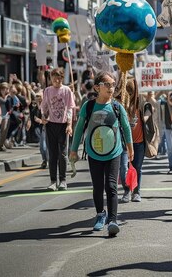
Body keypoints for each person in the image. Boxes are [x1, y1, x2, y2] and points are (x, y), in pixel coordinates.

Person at [70, 71, 133, 237]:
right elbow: (79, 129)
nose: (112, 88)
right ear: (97, 87)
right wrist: (73, 149)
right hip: (94, 152)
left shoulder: (117, 107)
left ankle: (113, 220)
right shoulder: (88, 106)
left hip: (114, 152)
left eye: (113, 84)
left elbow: (126, 128)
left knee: (111, 186)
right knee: (97, 187)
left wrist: (130, 148)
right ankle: (100, 214)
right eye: (108, 85)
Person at [40, 67, 76, 191]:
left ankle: (63, 180)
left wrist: (69, 124)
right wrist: (43, 116)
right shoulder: (48, 91)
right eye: (53, 77)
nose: (56, 79)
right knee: (52, 154)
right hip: (51, 124)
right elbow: (44, 106)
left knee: (62, 154)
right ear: (51, 78)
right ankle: (53, 181)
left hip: (63, 125)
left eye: (58, 77)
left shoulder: (67, 90)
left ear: (62, 78)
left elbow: (70, 108)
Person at [29, 93, 48, 169]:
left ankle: (50, 160)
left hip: (47, 128)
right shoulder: (34, 108)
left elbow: (48, 118)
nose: (38, 98)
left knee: (45, 146)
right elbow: (33, 118)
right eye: (36, 96)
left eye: (39, 96)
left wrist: (40, 121)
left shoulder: (46, 107)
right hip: (39, 129)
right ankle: (45, 160)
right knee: (42, 147)